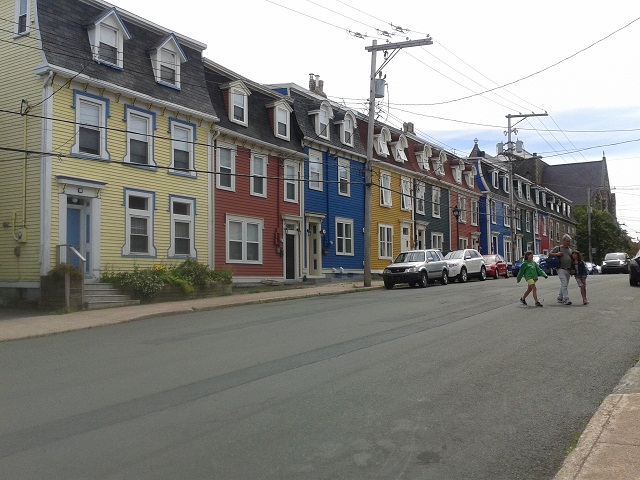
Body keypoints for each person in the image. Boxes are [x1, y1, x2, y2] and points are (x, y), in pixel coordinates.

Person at [549, 234, 573, 305]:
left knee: (564, 284)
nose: (568, 243)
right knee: (564, 283)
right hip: (560, 268)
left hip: (568, 269)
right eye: (567, 241)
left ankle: (560, 297)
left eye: (569, 241)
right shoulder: (558, 248)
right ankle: (566, 299)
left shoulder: (570, 250)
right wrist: (557, 254)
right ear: (563, 241)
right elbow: (549, 254)